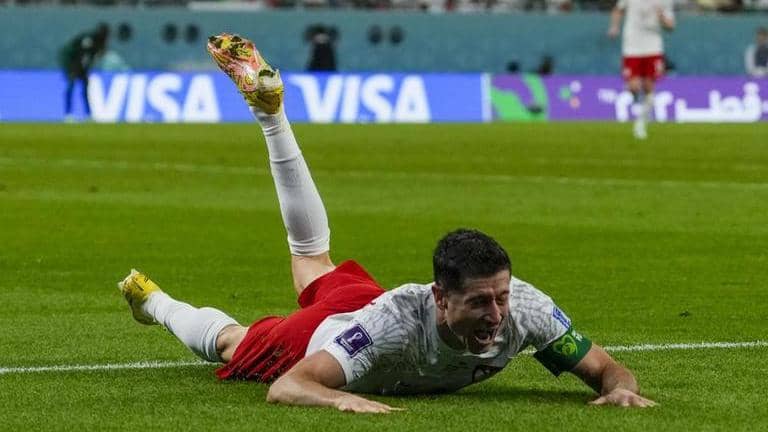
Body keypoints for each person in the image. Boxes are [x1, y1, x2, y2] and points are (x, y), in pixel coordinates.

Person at [117, 33, 657, 413]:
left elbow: (605, 368)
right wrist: (340, 399)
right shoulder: (391, 327)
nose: (496, 314)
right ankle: (154, 303)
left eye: (500, 297)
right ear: (441, 298)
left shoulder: (525, 310)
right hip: (325, 334)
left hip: (366, 302)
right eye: (480, 303)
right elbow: (289, 387)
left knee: (312, 260)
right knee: (234, 342)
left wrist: (621, 388)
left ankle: (272, 116)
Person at [608, 0, 675, 140]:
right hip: (632, 45)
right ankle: (635, 97)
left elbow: (671, 26)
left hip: (653, 46)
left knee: (649, 87)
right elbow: (618, 10)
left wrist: (662, 17)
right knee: (633, 86)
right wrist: (614, 27)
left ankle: (640, 123)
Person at [58, 23, 110, 122]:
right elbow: (76, 52)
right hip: (73, 67)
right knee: (71, 88)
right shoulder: (88, 39)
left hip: (83, 69)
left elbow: (93, 57)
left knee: (85, 91)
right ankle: (68, 114)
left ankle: (88, 114)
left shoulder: (99, 43)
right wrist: (69, 67)